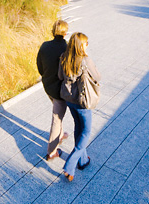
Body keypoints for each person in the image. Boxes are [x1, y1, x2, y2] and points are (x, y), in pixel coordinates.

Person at [58, 32, 101, 182]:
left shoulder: (64, 57)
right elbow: (97, 77)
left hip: (69, 100)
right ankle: (71, 164)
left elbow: (59, 76)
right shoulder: (85, 60)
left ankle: (83, 161)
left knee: (78, 127)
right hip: (82, 102)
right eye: (86, 43)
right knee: (86, 131)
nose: (87, 45)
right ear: (81, 45)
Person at [36, 20, 70, 161]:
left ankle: (60, 135)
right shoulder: (67, 48)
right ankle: (52, 151)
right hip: (60, 91)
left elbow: (39, 66)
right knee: (57, 118)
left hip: (48, 86)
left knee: (58, 113)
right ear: (65, 32)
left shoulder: (44, 46)